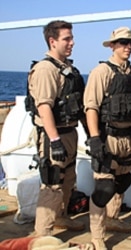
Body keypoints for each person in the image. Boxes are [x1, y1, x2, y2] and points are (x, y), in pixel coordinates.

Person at [84, 26, 131, 250]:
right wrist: (95, 139)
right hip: (107, 136)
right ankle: (97, 236)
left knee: (122, 182)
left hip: (128, 137)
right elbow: (91, 107)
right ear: (112, 45)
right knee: (104, 188)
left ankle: (113, 219)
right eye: (123, 42)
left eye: (130, 43)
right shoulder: (101, 72)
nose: (128, 46)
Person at [26, 20, 86, 236]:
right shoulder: (45, 69)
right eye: (66, 39)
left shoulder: (68, 69)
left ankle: (61, 217)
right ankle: (42, 234)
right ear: (52, 41)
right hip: (54, 135)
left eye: (71, 38)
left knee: (69, 178)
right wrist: (54, 140)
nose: (72, 42)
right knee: (52, 183)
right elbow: (44, 107)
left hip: (70, 132)